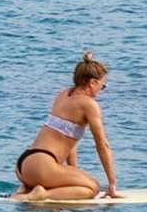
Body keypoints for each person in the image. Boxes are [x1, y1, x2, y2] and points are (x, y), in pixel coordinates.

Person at [13, 54, 121, 201]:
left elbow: (69, 138)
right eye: (103, 86)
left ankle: (27, 187)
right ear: (92, 82)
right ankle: (42, 194)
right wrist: (112, 185)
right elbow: (102, 145)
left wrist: (72, 172)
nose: (101, 90)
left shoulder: (63, 94)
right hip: (42, 165)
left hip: (24, 164)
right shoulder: (88, 104)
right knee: (92, 188)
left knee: (78, 181)